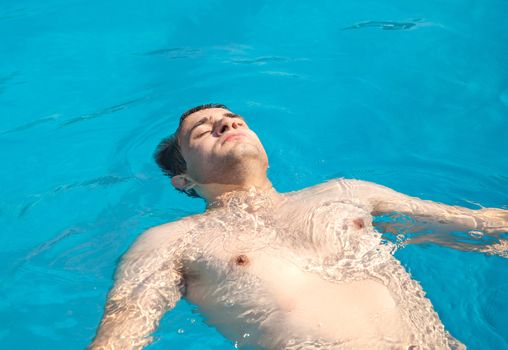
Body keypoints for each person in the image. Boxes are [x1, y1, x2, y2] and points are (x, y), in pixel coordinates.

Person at [90, 104, 508, 349]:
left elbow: (478, 228)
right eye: (203, 130)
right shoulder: (172, 240)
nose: (228, 124)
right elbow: (123, 331)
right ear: (184, 181)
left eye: (235, 119)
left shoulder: (346, 192)